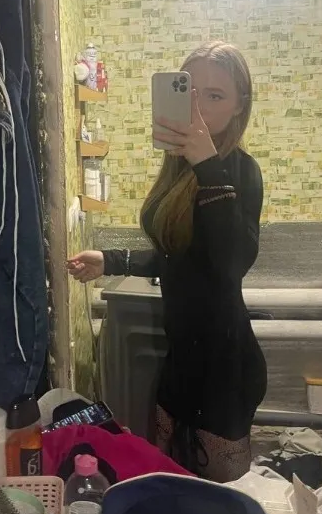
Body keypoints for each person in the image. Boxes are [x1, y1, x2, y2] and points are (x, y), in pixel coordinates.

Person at [67, 42, 266, 482]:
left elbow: (232, 262)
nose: (199, 107)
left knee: (217, 499)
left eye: (215, 95)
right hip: (181, 363)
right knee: (174, 486)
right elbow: (181, 258)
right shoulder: (178, 168)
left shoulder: (240, 171)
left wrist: (207, 164)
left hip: (224, 369)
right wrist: (111, 260)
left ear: (239, 106)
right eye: (190, 91)